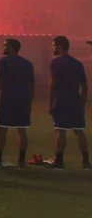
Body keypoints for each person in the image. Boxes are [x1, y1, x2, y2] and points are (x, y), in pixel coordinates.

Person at [0, 37, 34, 168]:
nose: (2, 48)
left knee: (2, 129)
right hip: (23, 101)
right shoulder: (28, 64)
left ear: (12, 48)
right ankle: (21, 160)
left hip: (7, 99)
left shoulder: (4, 61)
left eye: (4, 45)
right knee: (22, 130)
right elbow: (31, 85)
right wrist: (29, 102)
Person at [48, 35, 89, 169]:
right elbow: (84, 86)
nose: (52, 48)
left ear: (60, 46)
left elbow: (53, 84)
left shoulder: (56, 62)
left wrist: (50, 103)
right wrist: (81, 104)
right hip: (75, 100)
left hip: (62, 99)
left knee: (60, 131)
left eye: (54, 45)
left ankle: (59, 161)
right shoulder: (77, 63)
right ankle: (86, 162)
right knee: (79, 131)